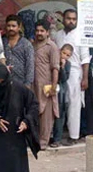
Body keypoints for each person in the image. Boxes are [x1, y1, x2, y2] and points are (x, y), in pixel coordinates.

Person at [52, 9, 91, 146]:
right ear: (63, 19)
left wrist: (85, 78)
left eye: (74, 19)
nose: (71, 21)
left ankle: (74, 136)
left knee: (74, 105)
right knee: (59, 103)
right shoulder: (57, 35)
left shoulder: (81, 35)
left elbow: (85, 59)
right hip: (59, 71)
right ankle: (56, 136)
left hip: (75, 72)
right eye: (68, 18)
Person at [32, 20, 59, 150]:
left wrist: (53, 86)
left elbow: (55, 68)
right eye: (37, 31)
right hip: (33, 85)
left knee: (46, 115)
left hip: (46, 86)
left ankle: (43, 143)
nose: (39, 33)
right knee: (35, 112)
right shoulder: (32, 45)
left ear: (47, 32)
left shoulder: (52, 46)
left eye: (42, 31)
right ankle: (35, 140)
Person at [3, 15, 35, 88]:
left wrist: (28, 84)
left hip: (21, 83)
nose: (11, 28)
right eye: (9, 26)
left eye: (13, 26)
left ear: (19, 27)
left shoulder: (26, 44)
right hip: (4, 82)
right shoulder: (3, 42)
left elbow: (30, 65)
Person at [51, 44, 73, 148]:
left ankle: (57, 139)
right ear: (60, 51)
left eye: (68, 55)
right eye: (63, 53)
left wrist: (62, 67)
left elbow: (64, 78)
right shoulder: (53, 60)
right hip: (50, 89)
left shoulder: (68, 64)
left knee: (60, 116)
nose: (65, 56)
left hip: (62, 92)